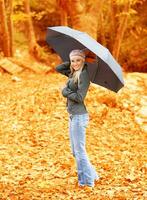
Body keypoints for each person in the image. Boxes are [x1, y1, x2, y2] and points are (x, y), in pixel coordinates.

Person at [56, 49, 99, 188]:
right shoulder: (73, 72)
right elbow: (58, 68)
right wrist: (73, 60)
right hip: (73, 116)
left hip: (80, 117)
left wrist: (65, 92)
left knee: (80, 151)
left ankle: (86, 182)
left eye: (78, 60)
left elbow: (80, 97)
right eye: (73, 60)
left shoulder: (83, 75)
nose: (75, 63)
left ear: (84, 61)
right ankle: (92, 175)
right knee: (75, 151)